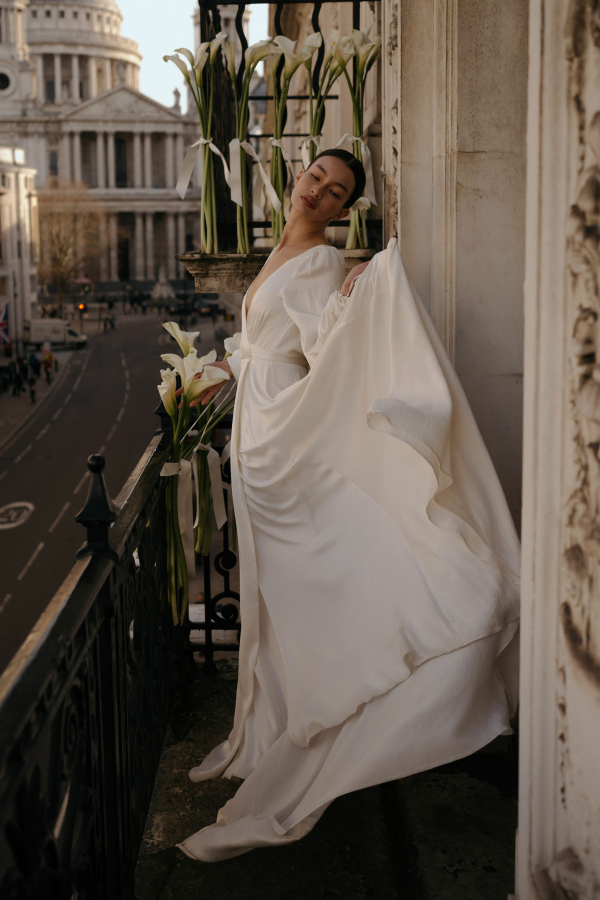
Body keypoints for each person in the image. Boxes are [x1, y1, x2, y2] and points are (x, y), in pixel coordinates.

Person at [175, 149, 521, 862]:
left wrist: (355, 292)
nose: (319, 192)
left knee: (297, 581)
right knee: (268, 590)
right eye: (316, 178)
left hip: (280, 426)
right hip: (255, 423)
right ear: (298, 176)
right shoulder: (280, 251)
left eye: (336, 192)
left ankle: (327, 702)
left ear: (343, 209)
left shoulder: (322, 261)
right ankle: (262, 727)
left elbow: (322, 347)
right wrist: (203, 377)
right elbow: (257, 345)